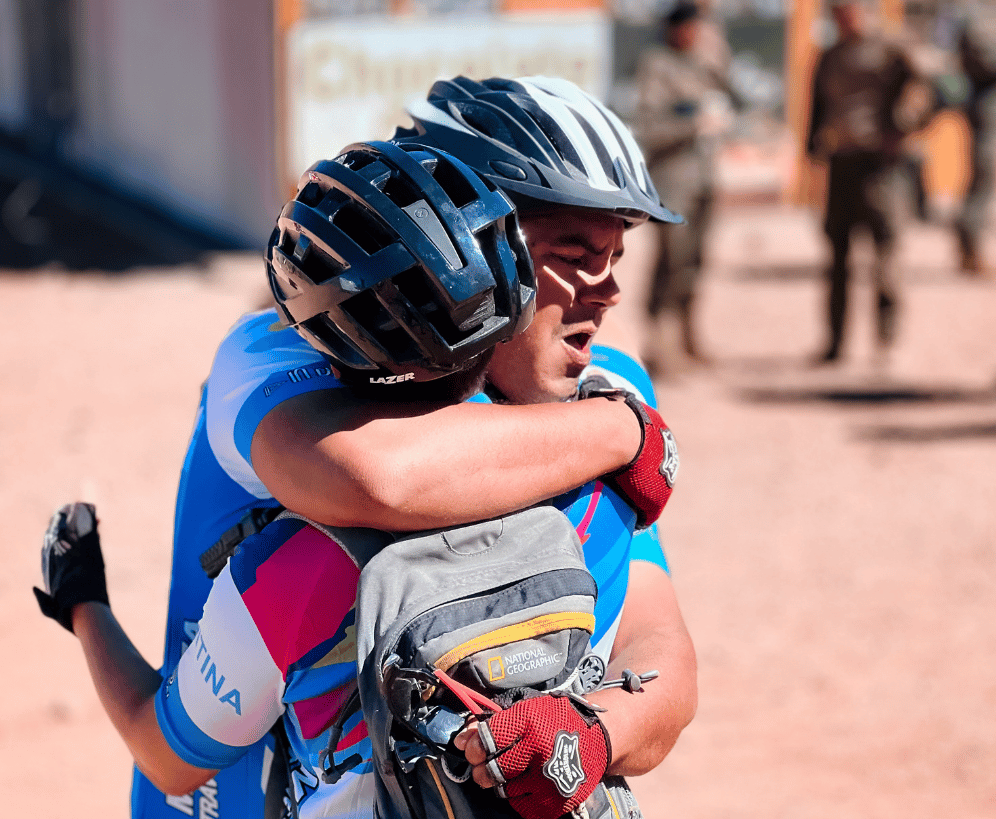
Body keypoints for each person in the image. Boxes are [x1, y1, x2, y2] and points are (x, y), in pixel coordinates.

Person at [40, 77, 697, 819]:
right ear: (474, 243)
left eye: (615, 256)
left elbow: (659, 646)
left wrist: (594, 733)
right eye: (573, 254)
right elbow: (371, 475)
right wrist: (626, 433)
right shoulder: (276, 356)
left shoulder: (608, 388)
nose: (608, 292)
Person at [806, 0, 926, 364]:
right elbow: (816, 105)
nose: (845, 16)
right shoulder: (831, 56)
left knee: (885, 254)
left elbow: (934, 87)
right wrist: (812, 149)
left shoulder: (893, 49)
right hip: (841, 161)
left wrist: (905, 126)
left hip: (880, 166)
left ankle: (886, 342)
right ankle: (835, 343)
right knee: (837, 257)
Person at [633, 0, 736, 370]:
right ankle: (658, 342)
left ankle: (689, 336)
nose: (697, 34)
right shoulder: (657, 66)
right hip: (672, 182)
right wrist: (694, 124)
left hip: (704, 178)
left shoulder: (702, 64)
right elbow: (650, 128)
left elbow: (730, 94)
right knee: (671, 261)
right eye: (692, 27)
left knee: (695, 261)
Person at [950, 0, 996, 276]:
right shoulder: (974, 13)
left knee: (988, 176)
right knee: (984, 174)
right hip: (984, 104)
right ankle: (969, 245)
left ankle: (971, 245)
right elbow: (987, 58)